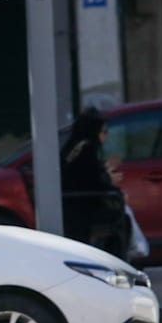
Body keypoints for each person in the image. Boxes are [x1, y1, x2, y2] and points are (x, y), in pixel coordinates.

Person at [60, 109, 127, 256]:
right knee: (123, 218)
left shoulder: (74, 146)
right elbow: (93, 181)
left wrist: (104, 170)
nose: (105, 135)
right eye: (103, 131)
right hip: (82, 206)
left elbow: (87, 174)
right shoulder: (87, 148)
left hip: (75, 203)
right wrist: (111, 182)